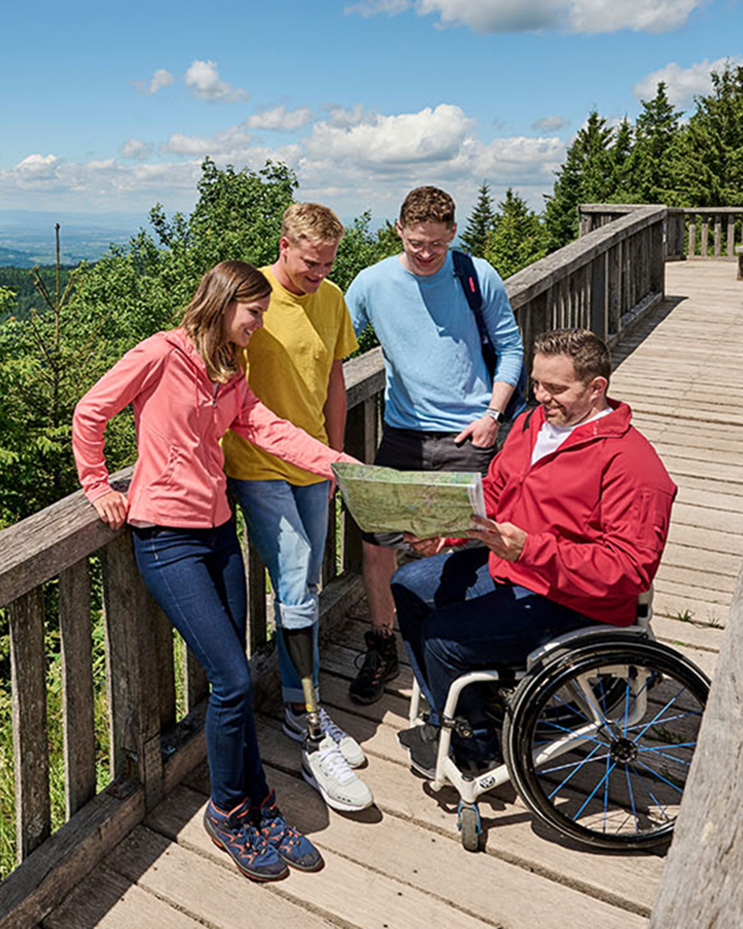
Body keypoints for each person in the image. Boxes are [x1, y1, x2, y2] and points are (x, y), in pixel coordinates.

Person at [72, 260, 364, 883]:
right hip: (163, 539)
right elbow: (90, 413)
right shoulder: (159, 354)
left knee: (237, 677)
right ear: (223, 303)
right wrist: (97, 485)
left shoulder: (232, 370)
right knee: (232, 680)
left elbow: (268, 429)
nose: (260, 323)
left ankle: (258, 803)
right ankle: (228, 813)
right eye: (253, 312)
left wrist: (336, 461)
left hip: (217, 534)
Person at [391, 328, 677, 775]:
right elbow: (495, 491)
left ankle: (473, 748)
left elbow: (629, 570)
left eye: (557, 388)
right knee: (408, 584)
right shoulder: (531, 424)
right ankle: (458, 712)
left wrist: (531, 549)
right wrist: (443, 532)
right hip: (514, 568)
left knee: (443, 636)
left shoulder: (633, 464)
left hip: (578, 602)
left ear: (597, 387)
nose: (541, 397)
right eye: (537, 384)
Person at [345, 185, 524, 705]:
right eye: (417, 243)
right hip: (403, 433)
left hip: (471, 433)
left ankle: (466, 654)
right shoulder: (372, 283)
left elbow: (510, 347)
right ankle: (382, 644)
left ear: (452, 235)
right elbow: (334, 345)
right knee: (378, 541)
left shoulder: (476, 274)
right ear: (399, 229)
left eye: (437, 245)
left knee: (469, 546)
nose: (425, 255)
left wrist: (493, 415)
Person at [222, 204, 372, 813]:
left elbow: (336, 379)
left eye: (329, 264)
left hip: (313, 464)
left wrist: (334, 457)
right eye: (311, 263)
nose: (320, 274)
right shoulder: (252, 299)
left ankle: (295, 705)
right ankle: (310, 727)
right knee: (293, 581)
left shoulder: (331, 297)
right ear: (285, 246)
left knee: (304, 584)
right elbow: (225, 385)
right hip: (257, 466)